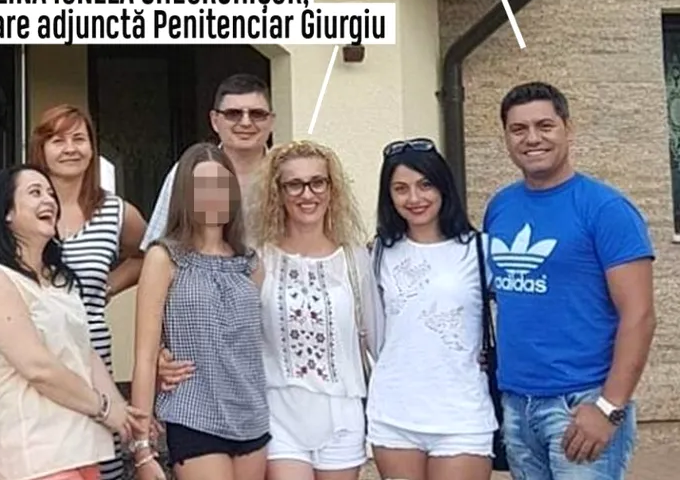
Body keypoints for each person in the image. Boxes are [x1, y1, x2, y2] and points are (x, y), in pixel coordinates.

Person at [160, 139, 380, 480]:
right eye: (294, 184)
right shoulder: (257, 258)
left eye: (317, 182)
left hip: (342, 413)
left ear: (332, 189)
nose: (307, 194)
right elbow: (217, 322)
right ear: (278, 192)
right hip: (278, 412)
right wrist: (164, 354)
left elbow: (378, 339)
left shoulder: (356, 259)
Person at [484, 82, 655, 480]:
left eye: (544, 125)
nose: (532, 138)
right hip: (517, 401)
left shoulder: (606, 209)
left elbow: (640, 315)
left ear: (567, 128)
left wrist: (609, 407)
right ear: (506, 137)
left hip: (581, 404)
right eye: (518, 129)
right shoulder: (501, 206)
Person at [0, 104, 146, 480]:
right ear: (41, 148)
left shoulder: (114, 211)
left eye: (79, 139)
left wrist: (106, 287)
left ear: (93, 148)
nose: (70, 149)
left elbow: (149, 255)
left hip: (95, 363)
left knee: (100, 465)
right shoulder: (23, 209)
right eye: (58, 140)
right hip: (38, 366)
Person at [130, 143, 271, 480]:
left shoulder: (250, 263)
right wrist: (142, 447)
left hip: (251, 416)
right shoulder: (164, 258)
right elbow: (145, 356)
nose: (213, 195)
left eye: (222, 185)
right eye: (202, 186)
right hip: (194, 414)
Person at [366, 138, 497, 480]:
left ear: (443, 187)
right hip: (394, 412)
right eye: (401, 188)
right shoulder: (378, 252)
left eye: (425, 185)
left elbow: (523, 315)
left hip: (462, 413)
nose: (414, 198)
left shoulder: (480, 249)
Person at [140, 74, 274, 250]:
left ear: (271, 121)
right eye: (233, 114)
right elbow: (157, 245)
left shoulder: (288, 173)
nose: (246, 122)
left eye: (257, 114)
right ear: (214, 120)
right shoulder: (189, 171)